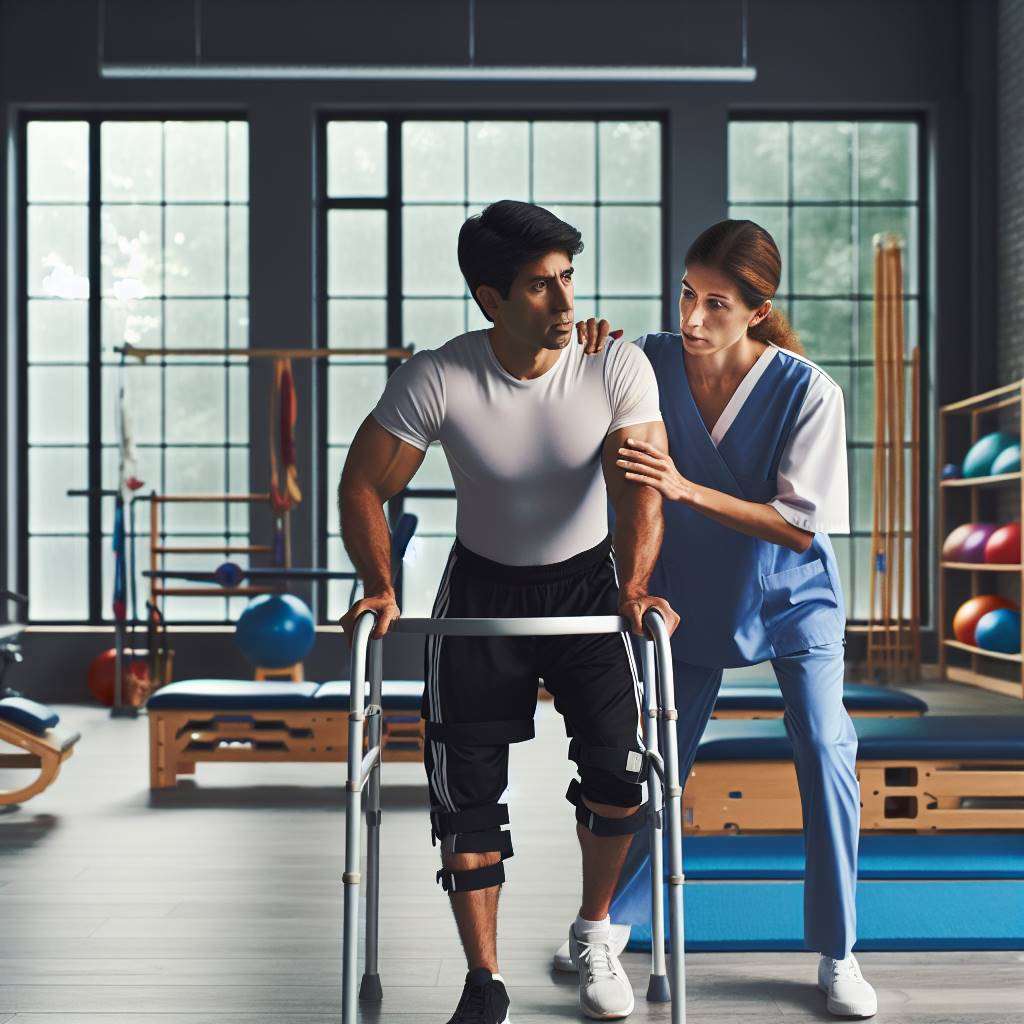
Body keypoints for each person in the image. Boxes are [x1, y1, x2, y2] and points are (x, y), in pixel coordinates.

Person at [338, 200, 678, 1024]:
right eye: (538, 285)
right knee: (468, 801)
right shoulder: (440, 376)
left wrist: (635, 587)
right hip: (480, 596)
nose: (565, 301)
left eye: (568, 278)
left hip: (590, 593)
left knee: (619, 774)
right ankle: (483, 980)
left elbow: (641, 489)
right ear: (490, 298)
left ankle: (594, 931)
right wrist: (379, 584)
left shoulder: (612, 364)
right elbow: (363, 483)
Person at [574, 219, 877, 1019]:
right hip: (687, 596)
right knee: (657, 760)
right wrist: (585, 343)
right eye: (686, 294)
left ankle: (839, 952)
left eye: (715, 303)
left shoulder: (809, 391)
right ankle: (610, 922)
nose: (693, 317)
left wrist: (684, 487)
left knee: (826, 748)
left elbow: (800, 526)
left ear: (757, 311)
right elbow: (566, 382)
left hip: (791, 597)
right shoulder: (645, 360)